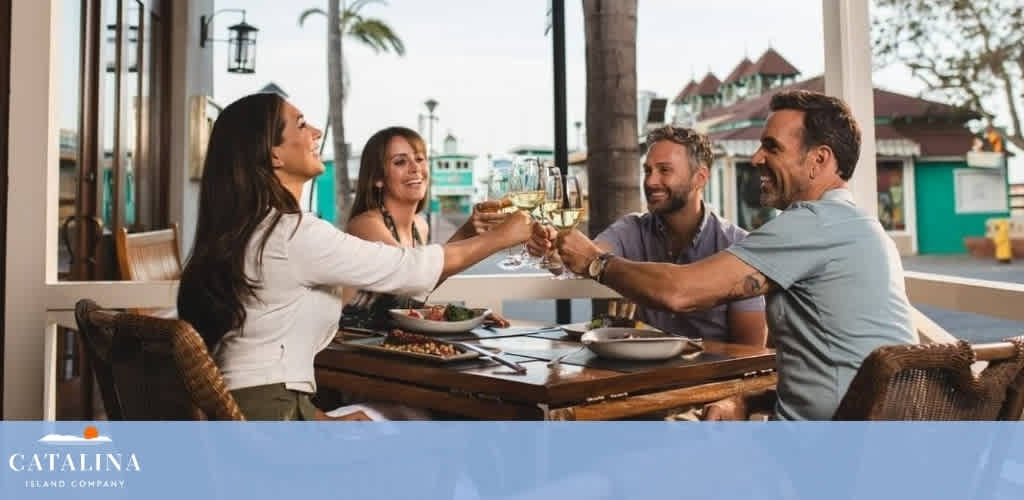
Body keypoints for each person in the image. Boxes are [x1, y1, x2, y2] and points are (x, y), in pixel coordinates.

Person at [538, 90, 917, 420]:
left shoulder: (813, 224)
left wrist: (595, 262)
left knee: (618, 472)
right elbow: (827, 367)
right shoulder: (857, 224)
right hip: (871, 444)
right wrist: (745, 399)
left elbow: (680, 292)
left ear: (819, 160)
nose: (755, 158)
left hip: (826, 461)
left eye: (772, 147)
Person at [177, 93, 532, 421]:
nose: (316, 132)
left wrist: (320, 419)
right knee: (441, 438)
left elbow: (258, 364)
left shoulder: (255, 229)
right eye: (301, 124)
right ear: (274, 155)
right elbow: (408, 270)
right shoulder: (293, 234)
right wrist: (505, 235)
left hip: (269, 410)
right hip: (272, 416)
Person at [529, 126, 766, 346]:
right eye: (647, 170)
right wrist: (553, 250)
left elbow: (749, 349)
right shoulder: (632, 229)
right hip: (643, 373)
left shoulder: (737, 244)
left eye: (665, 170)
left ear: (700, 178)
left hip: (710, 379)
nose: (651, 181)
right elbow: (585, 256)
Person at [343, 126, 512, 327]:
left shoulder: (420, 225)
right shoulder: (366, 225)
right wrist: (503, 237)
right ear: (378, 178)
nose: (415, 168)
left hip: (391, 344)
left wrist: (464, 316)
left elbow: (421, 284)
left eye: (420, 159)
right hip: (352, 347)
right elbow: (410, 276)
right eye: (400, 161)